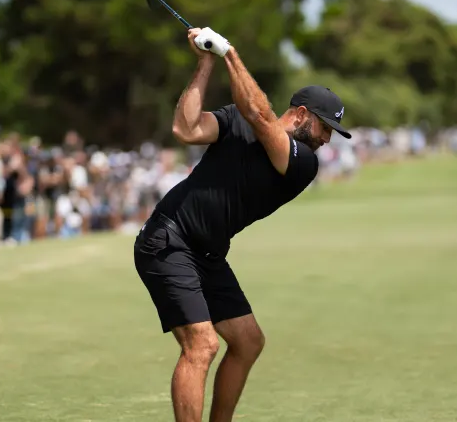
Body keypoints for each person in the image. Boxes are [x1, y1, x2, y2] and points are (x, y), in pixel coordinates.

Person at [133, 27, 351, 422]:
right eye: (325, 128)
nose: (327, 140)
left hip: (208, 253)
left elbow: (259, 113)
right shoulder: (237, 119)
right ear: (302, 115)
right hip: (169, 240)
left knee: (248, 342)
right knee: (202, 345)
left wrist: (229, 53)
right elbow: (187, 129)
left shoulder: (303, 161)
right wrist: (205, 63)